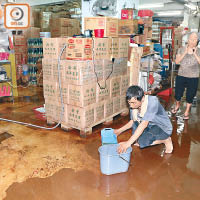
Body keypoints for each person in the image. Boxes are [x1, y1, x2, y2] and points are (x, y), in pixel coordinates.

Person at [115, 85, 173, 154]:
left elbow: (143, 124)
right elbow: (133, 121)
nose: (131, 105)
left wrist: (128, 143)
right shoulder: (133, 104)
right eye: (129, 102)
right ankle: (139, 140)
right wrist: (119, 131)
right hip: (149, 125)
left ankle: (166, 140)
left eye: (133, 103)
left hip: (161, 127)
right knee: (136, 138)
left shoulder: (152, 102)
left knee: (142, 142)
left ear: (142, 99)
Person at [172, 32, 200, 119]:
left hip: (193, 76)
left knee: (190, 95)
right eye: (191, 39)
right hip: (181, 75)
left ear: (197, 41)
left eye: (195, 39)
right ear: (188, 40)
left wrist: (194, 53)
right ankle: (177, 105)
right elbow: (177, 62)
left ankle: (187, 111)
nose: (192, 41)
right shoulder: (181, 49)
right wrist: (185, 52)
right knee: (178, 93)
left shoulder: (199, 51)